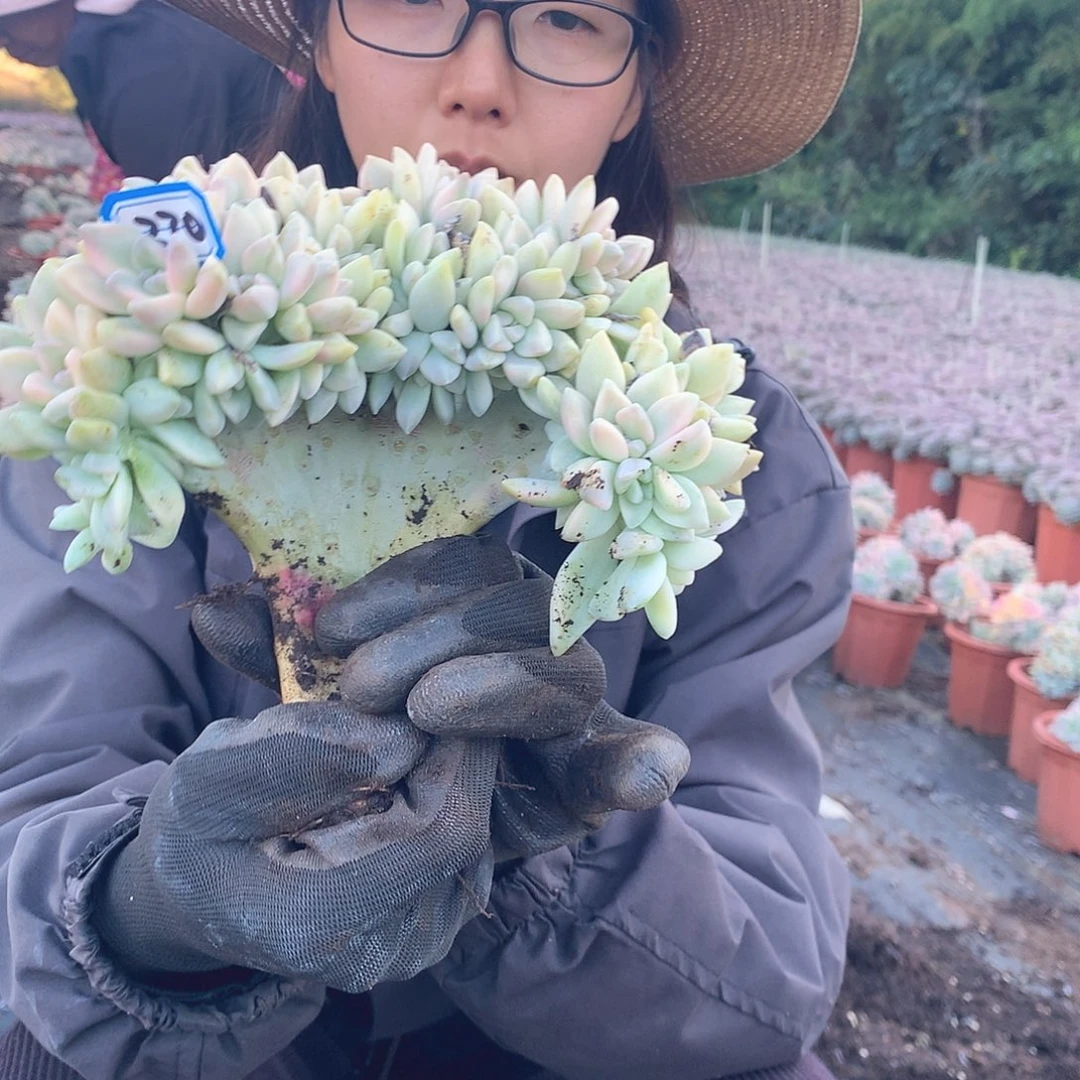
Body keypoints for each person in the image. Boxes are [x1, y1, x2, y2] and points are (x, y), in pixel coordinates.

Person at [0, 0, 861, 1077]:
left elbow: (773, 973)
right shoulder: (127, 367)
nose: (479, 81)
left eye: (566, 18)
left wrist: (540, 836)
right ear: (317, 38)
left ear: (638, 84)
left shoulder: (737, 448)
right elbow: (33, 807)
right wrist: (156, 910)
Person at [0, 0, 287, 182]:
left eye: (3, 24)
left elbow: (170, 203)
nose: (4, 41)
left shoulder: (145, 59)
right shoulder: (118, 39)